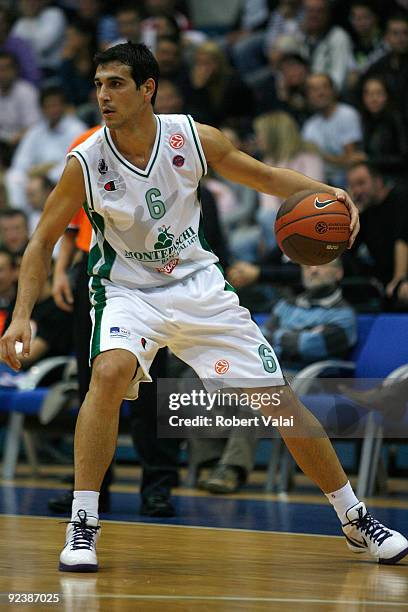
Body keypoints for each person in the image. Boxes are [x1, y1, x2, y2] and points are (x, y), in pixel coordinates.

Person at [1, 42, 407, 574]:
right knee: (108, 373)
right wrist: (22, 314)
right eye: (99, 84)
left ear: (148, 89)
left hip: (198, 287)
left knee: (278, 401)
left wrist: (325, 189)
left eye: (116, 83)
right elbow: (41, 241)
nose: (103, 94)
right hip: (127, 290)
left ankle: (354, 518)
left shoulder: (193, 138)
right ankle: (83, 523)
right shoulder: (86, 161)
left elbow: (263, 177)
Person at [198, 259, 357, 494]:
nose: (312, 269)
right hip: (274, 370)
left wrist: (283, 338)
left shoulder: (345, 314)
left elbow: (314, 347)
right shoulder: (285, 305)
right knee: (205, 385)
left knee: (260, 394)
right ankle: (209, 463)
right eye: (308, 266)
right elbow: (262, 338)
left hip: (313, 379)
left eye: (322, 265)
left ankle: (232, 470)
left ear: (339, 272)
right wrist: (295, 338)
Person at [346, 162, 408, 296]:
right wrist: (352, 213)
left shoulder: (401, 197)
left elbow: (403, 239)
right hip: (385, 281)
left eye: (361, 183)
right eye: (352, 186)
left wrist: (398, 280)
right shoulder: (365, 213)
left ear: (378, 181)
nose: (357, 191)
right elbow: (349, 250)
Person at [302, 73, 364, 186]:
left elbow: (353, 160)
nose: (320, 93)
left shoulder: (347, 115)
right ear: (308, 96)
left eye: (324, 87)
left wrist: (321, 155)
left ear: (333, 90)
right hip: (319, 180)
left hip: (347, 180)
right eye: (314, 89)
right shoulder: (309, 126)